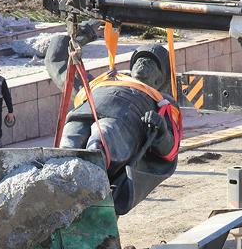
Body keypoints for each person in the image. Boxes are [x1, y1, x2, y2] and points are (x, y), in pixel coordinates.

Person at [45, 24, 181, 215]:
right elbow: (57, 62)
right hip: (83, 114)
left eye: (151, 63)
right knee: (69, 141)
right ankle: (54, 179)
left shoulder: (161, 102)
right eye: (139, 60)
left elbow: (170, 149)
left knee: (103, 136)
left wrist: (161, 131)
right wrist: (81, 37)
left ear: (160, 80)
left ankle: (89, 180)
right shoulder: (103, 81)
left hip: (120, 127)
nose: (143, 64)